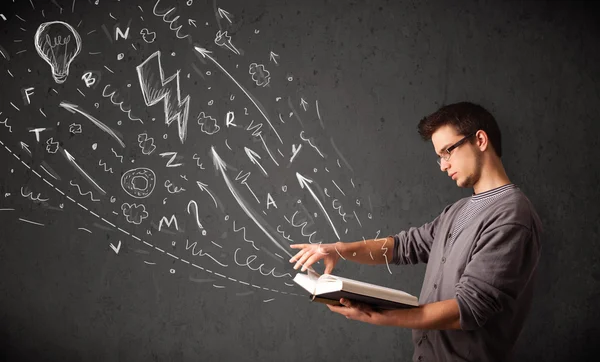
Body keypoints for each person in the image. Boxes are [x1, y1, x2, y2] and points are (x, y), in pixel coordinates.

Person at [289, 102, 542, 362]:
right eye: (439, 156)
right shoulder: (457, 210)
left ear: (479, 139)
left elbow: (468, 309)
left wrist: (377, 315)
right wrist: (339, 250)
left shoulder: (512, 216)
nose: (443, 166)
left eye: (448, 151)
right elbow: (403, 246)